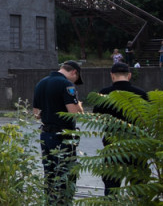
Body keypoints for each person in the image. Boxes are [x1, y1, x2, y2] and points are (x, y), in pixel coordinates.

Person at [33, 60, 84, 205]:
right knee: (65, 174)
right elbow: (73, 114)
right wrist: (79, 106)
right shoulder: (67, 85)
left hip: (46, 135)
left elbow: (36, 113)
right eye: (76, 78)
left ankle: (50, 202)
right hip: (63, 137)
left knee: (49, 174)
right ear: (74, 72)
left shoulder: (41, 83)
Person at [93, 62, 149, 195]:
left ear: (112, 76)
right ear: (129, 75)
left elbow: (96, 117)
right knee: (139, 185)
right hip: (136, 145)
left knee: (111, 185)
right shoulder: (141, 94)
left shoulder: (104, 93)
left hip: (112, 144)